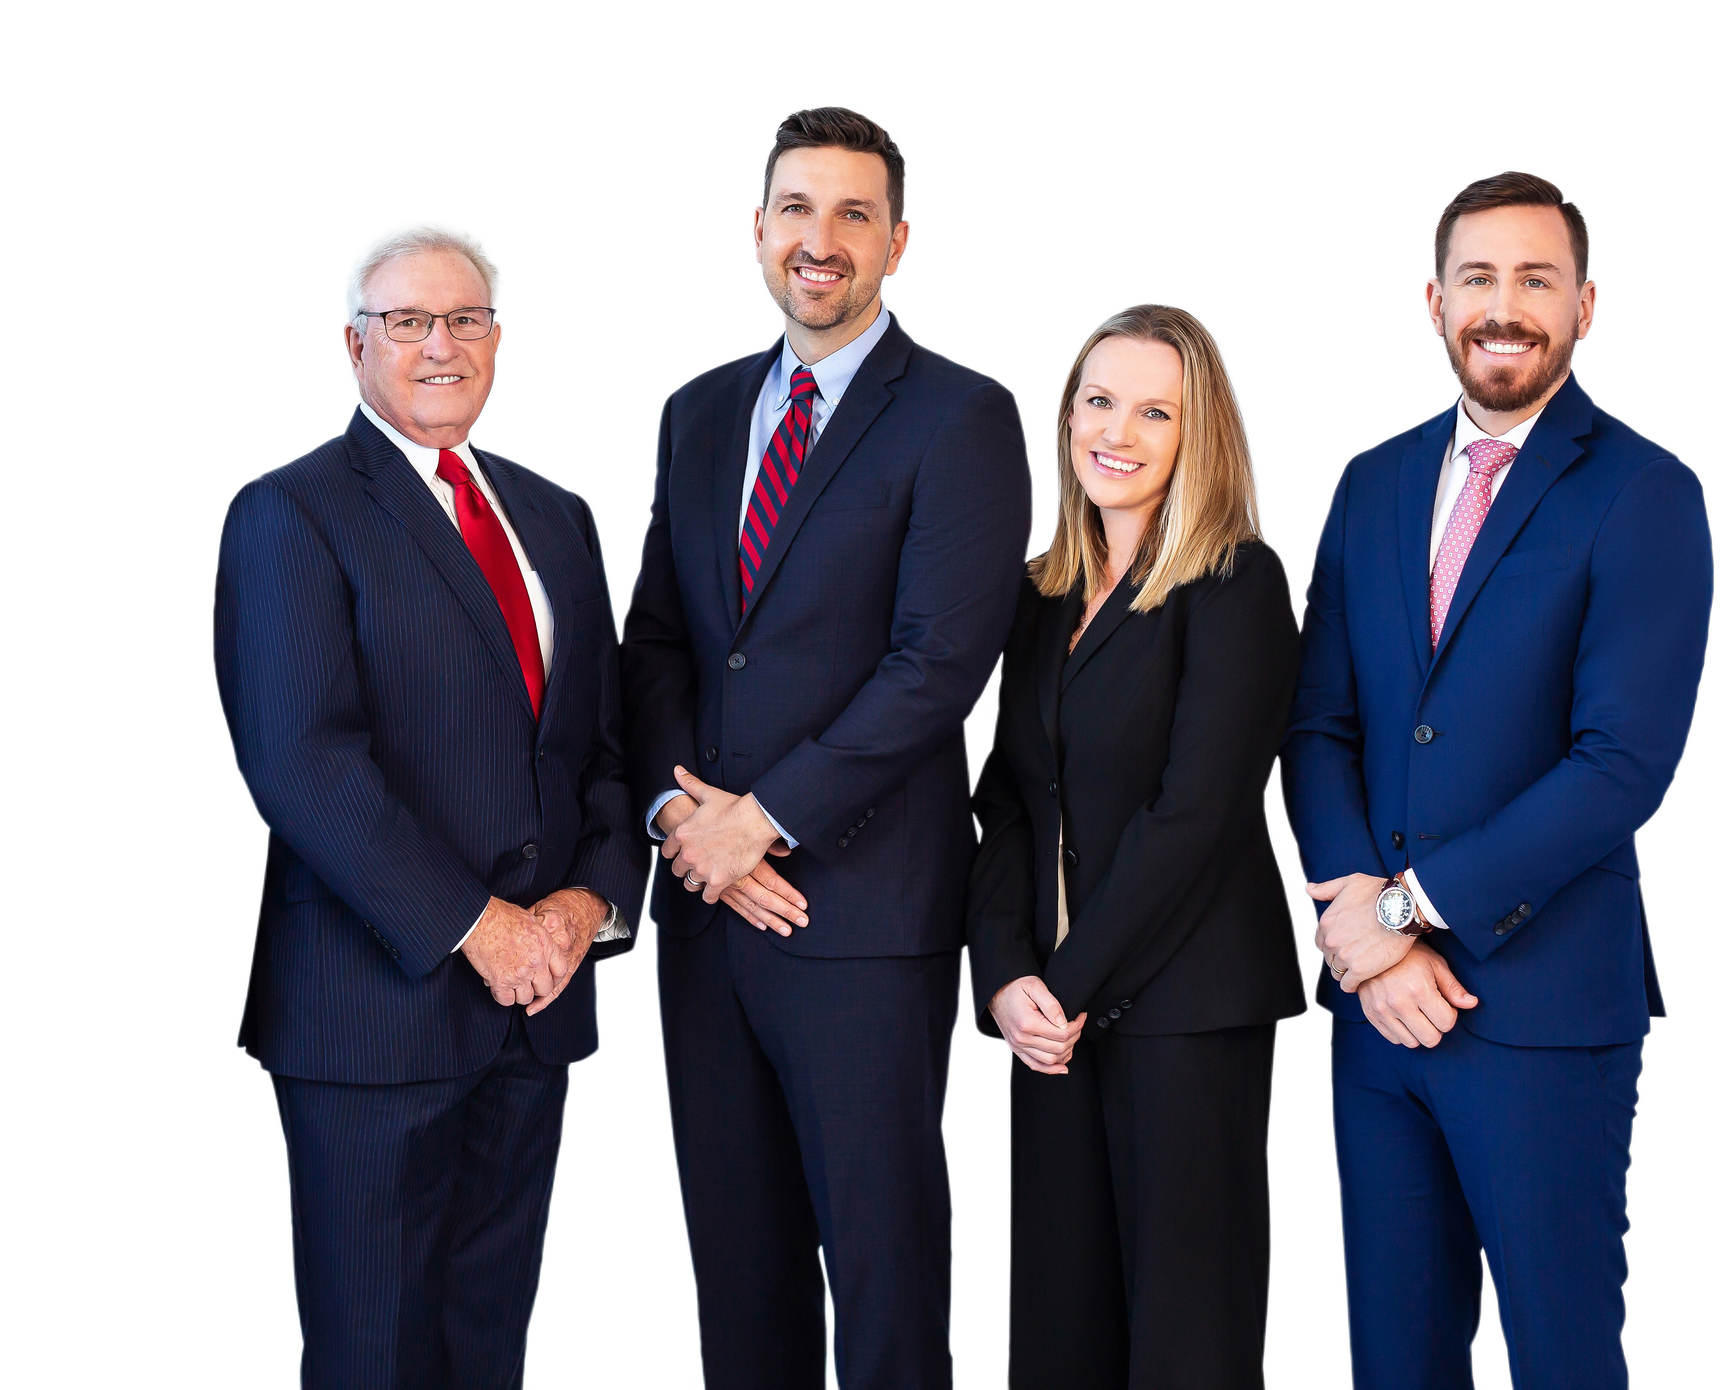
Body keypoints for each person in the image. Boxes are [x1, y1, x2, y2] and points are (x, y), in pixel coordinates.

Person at [1281, 170, 1716, 1389]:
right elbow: (1317, 724)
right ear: (1434, 301)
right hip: (1377, 1019)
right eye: (1478, 277)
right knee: (1394, 1360)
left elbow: (1622, 765)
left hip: (1542, 1010)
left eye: (1537, 278)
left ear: (1586, 304)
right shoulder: (1370, 482)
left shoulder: (1647, 492)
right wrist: (1366, 932)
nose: (1505, 306)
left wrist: (1407, 909)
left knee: (1562, 1358)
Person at [620, 105, 1032, 1389]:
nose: (822, 238)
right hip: (705, 915)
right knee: (738, 1276)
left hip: (859, 911)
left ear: (898, 242)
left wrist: (763, 818)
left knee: (882, 1268)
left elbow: (938, 665)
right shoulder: (696, 412)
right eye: (797, 208)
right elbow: (658, 643)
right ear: (757, 230)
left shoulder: (964, 414)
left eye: (856, 213)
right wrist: (685, 826)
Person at [210, 219, 648, 1389]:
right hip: (373, 1016)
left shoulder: (558, 516)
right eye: (408, 321)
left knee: (486, 1352)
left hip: (537, 1008)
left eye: (465, 319)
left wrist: (584, 906)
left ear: (498, 341)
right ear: (355, 344)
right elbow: (302, 762)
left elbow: (604, 749)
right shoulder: (290, 511)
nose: (440, 345)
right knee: (372, 1358)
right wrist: (479, 926)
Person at [966, 302, 1304, 1388]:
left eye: (1155, 411)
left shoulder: (1240, 582)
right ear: (1068, 415)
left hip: (1183, 1007)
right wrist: (1005, 975)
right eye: (1099, 401)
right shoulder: (1041, 592)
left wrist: (1063, 983)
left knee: (1184, 1339)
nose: (1117, 431)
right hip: (1049, 1016)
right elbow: (1008, 799)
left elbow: (1196, 812)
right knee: (1058, 1330)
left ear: (1198, 434)